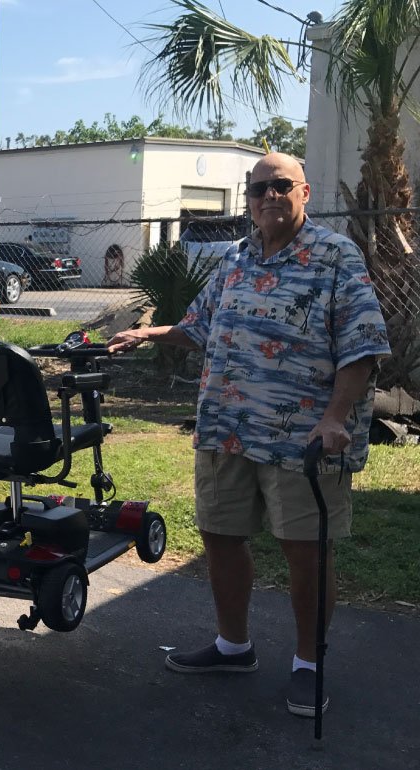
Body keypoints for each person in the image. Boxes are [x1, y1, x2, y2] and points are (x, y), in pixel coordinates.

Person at [107, 153, 391, 718]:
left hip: (303, 440)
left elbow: (362, 348)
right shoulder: (235, 258)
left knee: (305, 551)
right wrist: (150, 332)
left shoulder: (335, 256)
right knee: (220, 534)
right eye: (257, 187)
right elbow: (201, 327)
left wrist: (335, 416)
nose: (267, 195)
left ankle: (309, 663)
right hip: (226, 429)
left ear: (304, 192)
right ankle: (233, 646)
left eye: (280, 185)